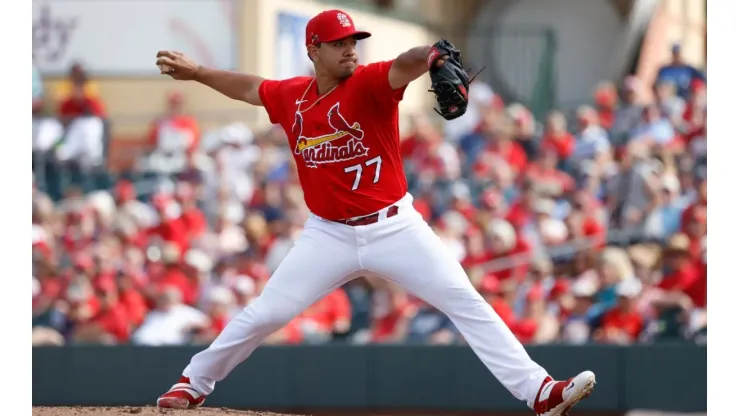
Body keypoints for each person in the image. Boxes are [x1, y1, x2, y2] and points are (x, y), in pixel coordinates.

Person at [154, 9, 595, 415]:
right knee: (268, 312)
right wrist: (198, 73)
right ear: (313, 49)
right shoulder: (293, 97)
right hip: (327, 235)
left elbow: (406, 62)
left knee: (465, 301)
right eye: (339, 42)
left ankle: (539, 392)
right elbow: (250, 88)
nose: (350, 48)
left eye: (354, 40)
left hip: (395, 227)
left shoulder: (369, 83)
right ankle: (193, 382)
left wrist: (432, 54)